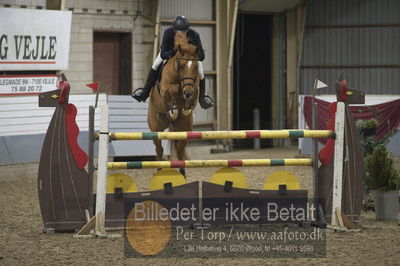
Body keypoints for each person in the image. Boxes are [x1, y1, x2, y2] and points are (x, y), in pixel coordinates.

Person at [131, 15, 214, 109]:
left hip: (189, 58)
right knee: (155, 65)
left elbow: (202, 56)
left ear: (187, 30)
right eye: (178, 32)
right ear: (174, 30)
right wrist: (174, 52)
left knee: (201, 72)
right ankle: (144, 93)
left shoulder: (194, 35)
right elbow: (163, 54)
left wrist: (191, 54)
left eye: (183, 32)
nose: (180, 34)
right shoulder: (168, 33)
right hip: (170, 53)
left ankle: (202, 99)